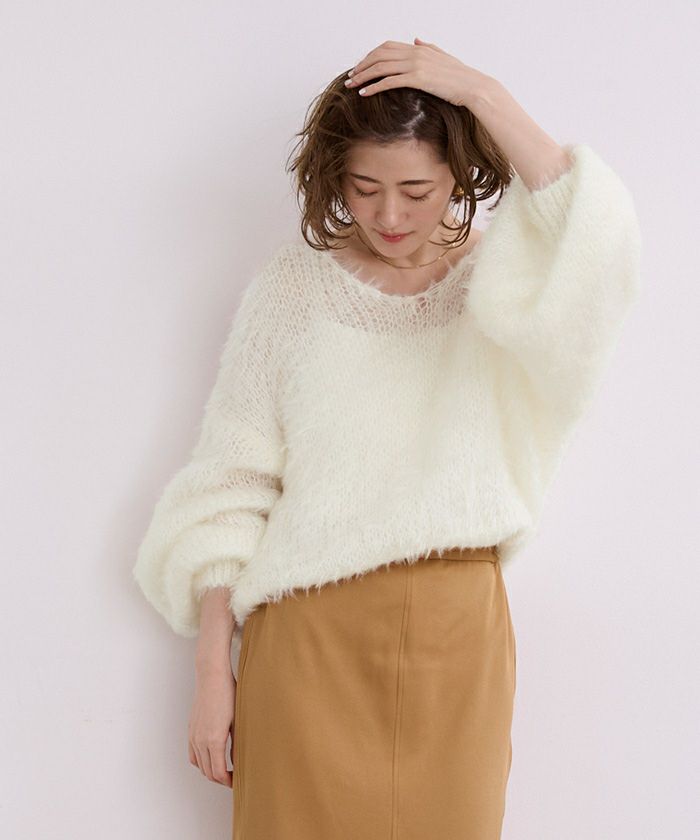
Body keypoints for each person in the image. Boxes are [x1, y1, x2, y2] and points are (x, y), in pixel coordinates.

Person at [132, 38, 642, 840]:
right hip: (306, 640)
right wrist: (211, 676)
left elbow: (599, 250)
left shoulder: (507, 287)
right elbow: (231, 487)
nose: (390, 216)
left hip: (457, 633)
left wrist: (480, 93)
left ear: (460, 176)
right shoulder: (291, 290)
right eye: (364, 188)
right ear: (332, 178)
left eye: (417, 189)